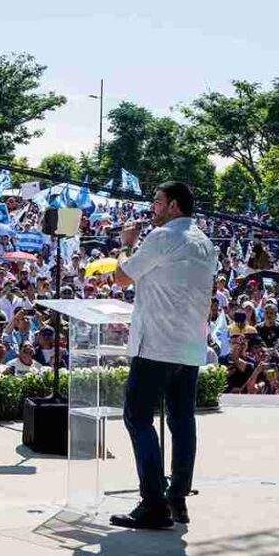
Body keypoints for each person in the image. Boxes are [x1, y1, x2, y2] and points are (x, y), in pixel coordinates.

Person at [110, 182, 216, 530]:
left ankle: (154, 502)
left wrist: (124, 246)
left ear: (173, 205)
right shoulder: (205, 243)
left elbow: (122, 277)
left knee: (138, 418)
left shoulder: (162, 237)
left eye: (156, 202)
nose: (152, 208)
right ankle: (178, 499)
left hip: (155, 345)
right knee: (182, 421)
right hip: (188, 347)